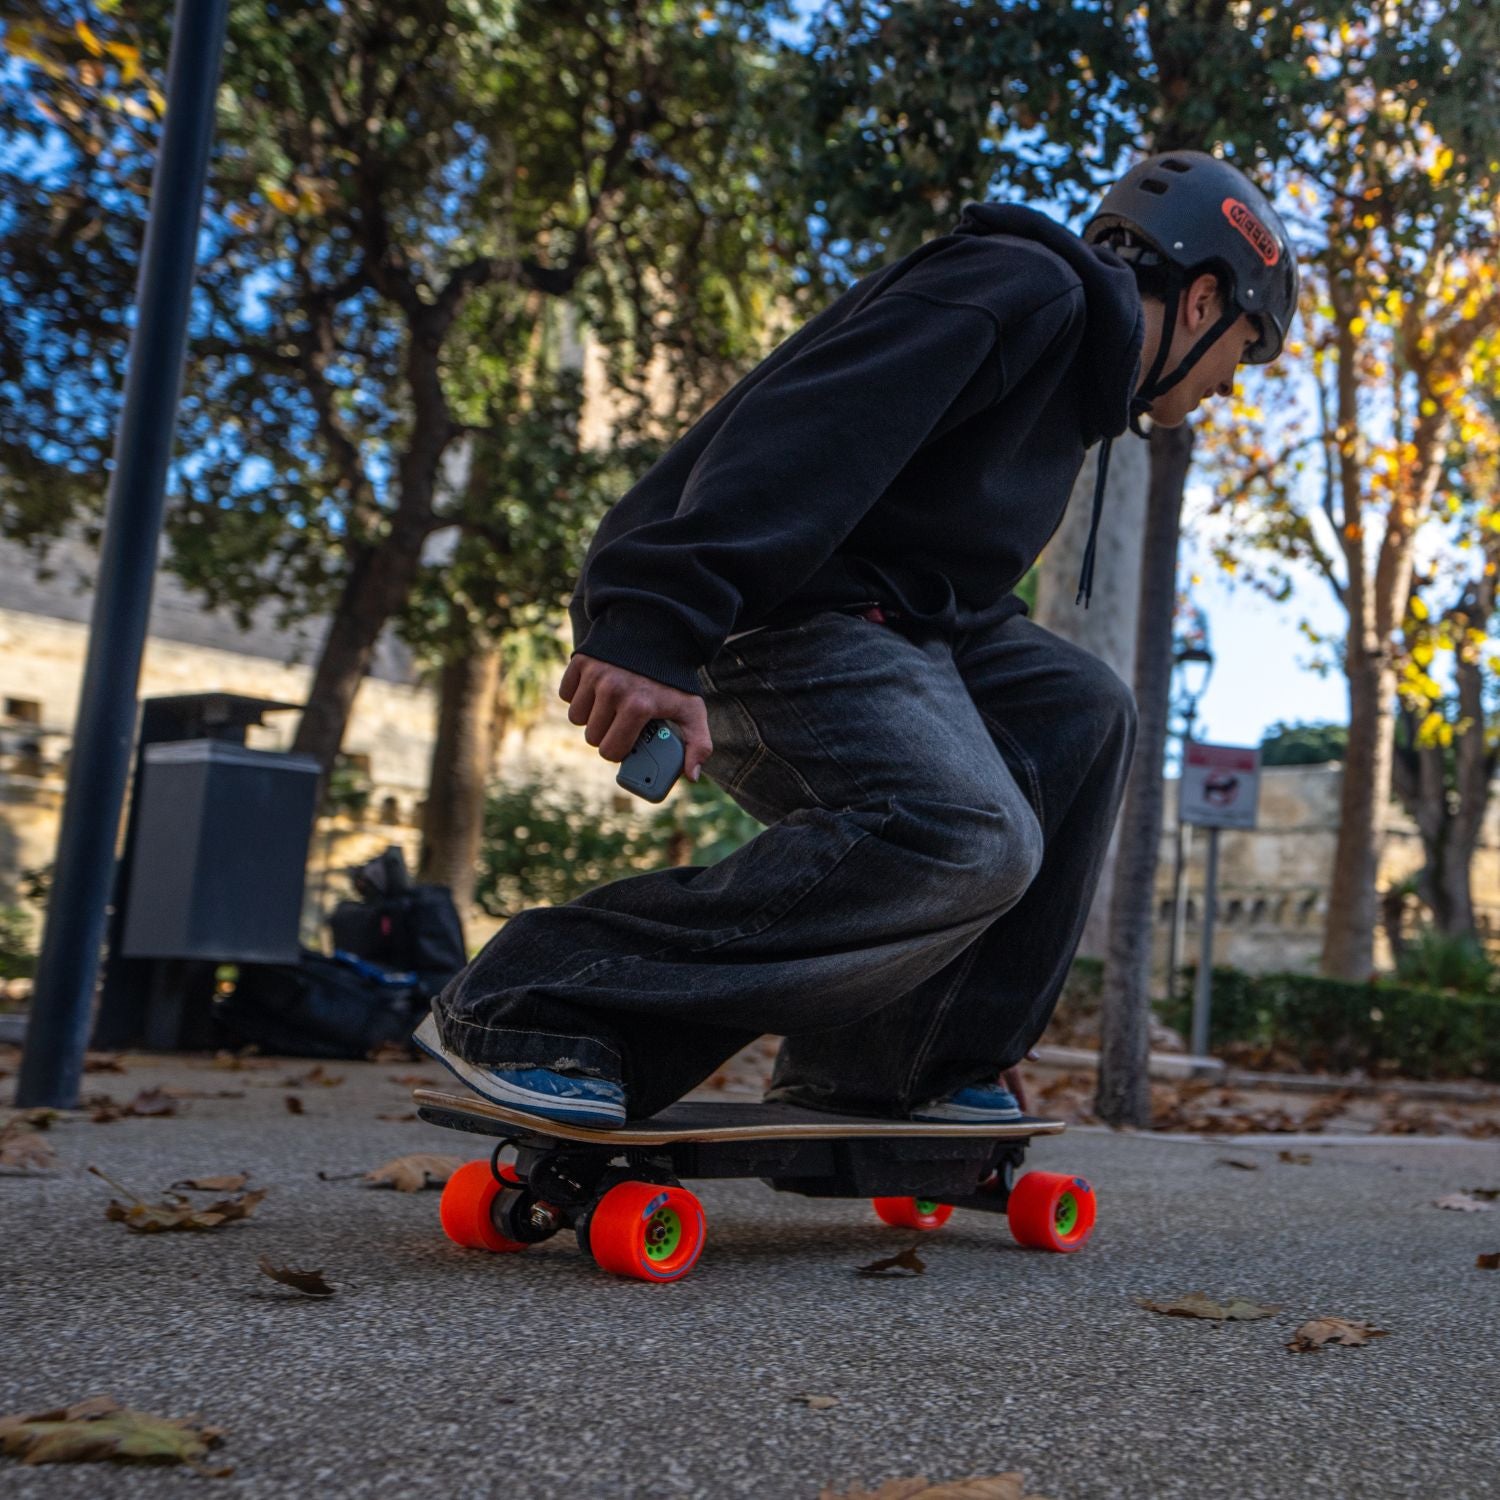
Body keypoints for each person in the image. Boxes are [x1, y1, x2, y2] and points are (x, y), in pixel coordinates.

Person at [414, 150, 1298, 1128]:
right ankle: (536, 1003)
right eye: (1244, 350)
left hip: (879, 624)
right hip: (771, 611)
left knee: (1083, 709)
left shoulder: (1068, 395)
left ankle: (905, 1057)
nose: (1230, 387)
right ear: (1206, 298)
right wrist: (656, 620)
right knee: (967, 833)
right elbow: (806, 428)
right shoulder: (1022, 285)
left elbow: (937, 580)